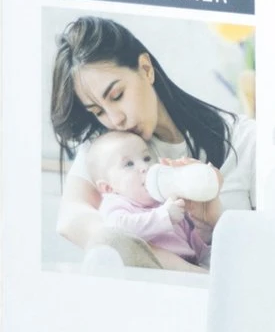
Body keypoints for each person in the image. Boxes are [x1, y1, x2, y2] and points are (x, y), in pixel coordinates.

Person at [51, 16, 255, 270]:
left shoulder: (243, 138)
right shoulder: (109, 147)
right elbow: (71, 219)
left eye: (117, 95)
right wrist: (174, 267)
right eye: (98, 111)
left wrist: (214, 221)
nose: (115, 119)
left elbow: (273, 249)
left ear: (146, 69)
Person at [87, 130, 211, 270]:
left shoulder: (165, 201)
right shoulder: (116, 203)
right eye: (129, 164)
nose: (144, 167)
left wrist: (202, 233)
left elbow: (193, 246)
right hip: (152, 270)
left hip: (190, 265)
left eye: (146, 158)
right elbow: (118, 230)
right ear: (108, 188)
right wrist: (165, 216)